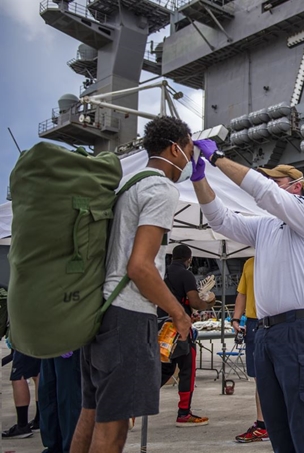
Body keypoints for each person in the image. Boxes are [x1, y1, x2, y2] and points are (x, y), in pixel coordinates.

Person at [191, 139, 304, 453]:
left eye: (277, 180)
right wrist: (199, 181)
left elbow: (264, 193)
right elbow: (221, 220)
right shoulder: (266, 226)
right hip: (267, 332)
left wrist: (218, 158)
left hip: (300, 331)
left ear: (297, 187)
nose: (270, 184)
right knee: (278, 426)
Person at [71, 116, 193, 453]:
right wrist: (178, 314)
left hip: (101, 315)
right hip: (128, 317)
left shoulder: (128, 185)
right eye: (189, 149)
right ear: (174, 148)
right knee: (114, 428)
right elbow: (140, 267)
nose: (190, 158)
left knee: (91, 413)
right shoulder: (162, 188)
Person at [159, 244, 216, 427]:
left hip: (161, 328)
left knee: (164, 370)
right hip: (180, 329)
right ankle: (184, 413)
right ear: (189, 259)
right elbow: (195, 302)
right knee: (187, 368)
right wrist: (209, 302)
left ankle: (133, 407)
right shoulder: (186, 275)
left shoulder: (162, 273)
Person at [232, 257, 269, 443]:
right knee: (259, 377)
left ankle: (274, 423)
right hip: (254, 324)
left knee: (281, 375)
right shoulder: (249, 263)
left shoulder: (281, 256)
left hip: (277, 321)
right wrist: (236, 320)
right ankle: (263, 425)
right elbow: (242, 294)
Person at [39, 350, 82, 452]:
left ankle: (71, 448)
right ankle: (53, 446)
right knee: (47, 395)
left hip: (68, 343)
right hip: (48, 344)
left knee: (68, 399)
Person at [2, 349, 40, 439]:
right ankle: (40, 420)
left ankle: (22, 425)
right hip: (40, 340)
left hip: (25, 341)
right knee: (37, 372)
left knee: (19, 375)